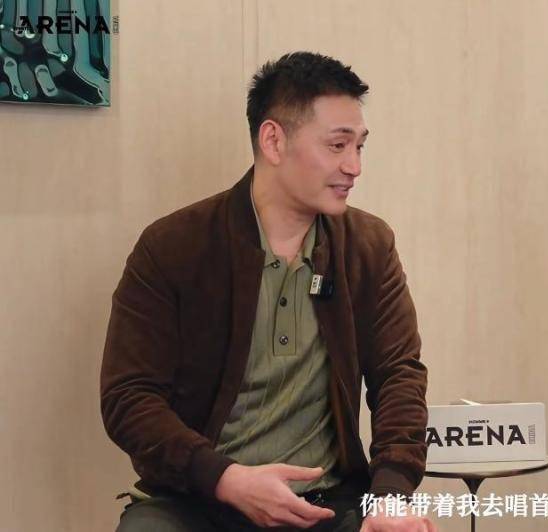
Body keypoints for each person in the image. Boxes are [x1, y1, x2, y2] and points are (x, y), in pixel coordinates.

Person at [101, 51, 435, 532]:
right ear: (273, 140)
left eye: (360, 146)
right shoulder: (174, 246)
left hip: (327, 503)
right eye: (337, 145)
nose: (354, 166)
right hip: (199, 500)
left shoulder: (368, 246)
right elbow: (129, 397)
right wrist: (225, 479)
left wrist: (390, 496)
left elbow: (399, 376)